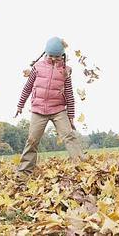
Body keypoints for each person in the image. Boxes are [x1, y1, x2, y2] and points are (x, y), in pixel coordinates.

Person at [15, 37, 84, 174]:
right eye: (51, 56)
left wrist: (71, 116)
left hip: (58, 110)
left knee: (69, 136)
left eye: (57, 57)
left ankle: (81, 166)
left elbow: (69, 94)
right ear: (46, 53)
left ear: (62, 55)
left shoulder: (66, 71)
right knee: (32, 140)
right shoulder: (37, 67)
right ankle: (24, 171)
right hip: (38, 109)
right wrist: (20, 105)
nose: (53, 59)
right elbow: (27, 87)